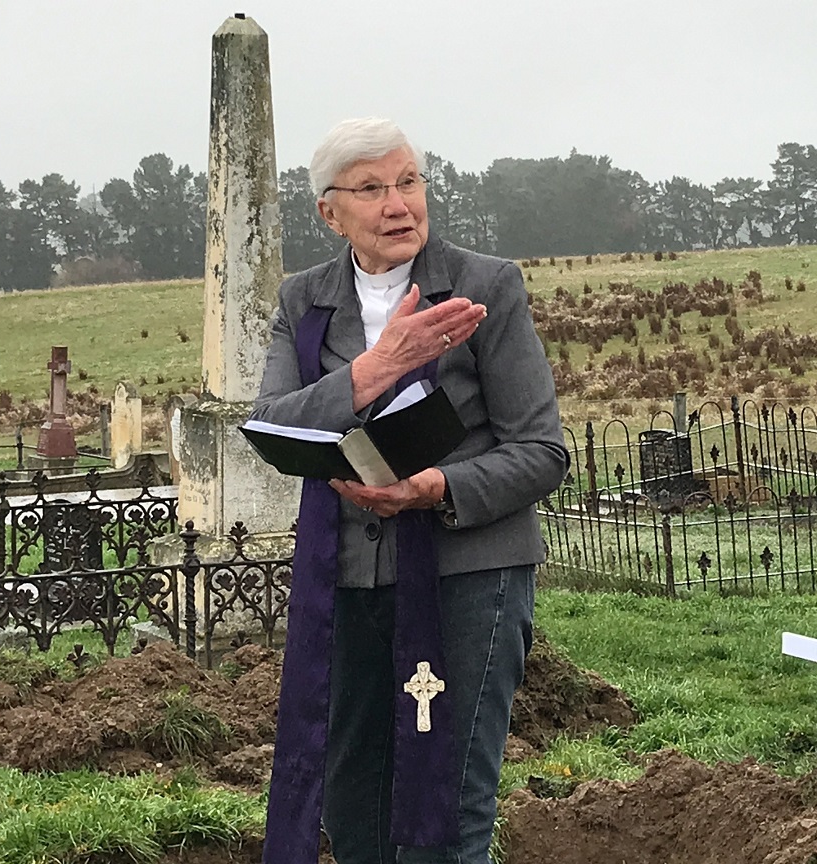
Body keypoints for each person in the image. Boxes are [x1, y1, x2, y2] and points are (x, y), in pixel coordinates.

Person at [251, 118, 568, 864]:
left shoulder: (487, 286)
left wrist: (439, 487)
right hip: (346, 584)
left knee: (447, 807)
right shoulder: (303, 303)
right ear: (330, 212)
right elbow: (270, 425)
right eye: (371, 189)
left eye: (409, 182)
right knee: (354, 805)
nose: (398, 204)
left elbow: (542, 451)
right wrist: (377, 366)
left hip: (468, 573)